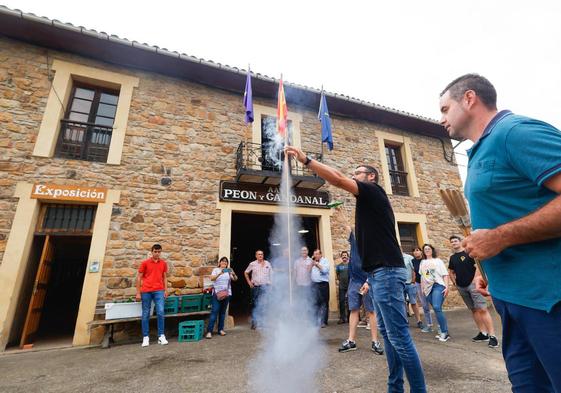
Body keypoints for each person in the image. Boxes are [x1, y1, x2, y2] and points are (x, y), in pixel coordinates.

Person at [439, 74, 561, 391]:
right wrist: (492, 271)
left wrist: (501, 237)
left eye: (444, 108)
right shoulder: (480, 151)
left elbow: (500, 231)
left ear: (469, 98)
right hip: (510, 300)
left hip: (548, 300)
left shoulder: (515, 132)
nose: (441, 119)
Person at [285, 146, 426, 393]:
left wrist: (306, 160)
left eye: (358, 172)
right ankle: (395, 388)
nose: (354, 175)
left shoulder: (373, 191)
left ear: (371, 176)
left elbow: (338, 179)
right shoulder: (367, 204)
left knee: (400, 338)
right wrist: (370, 279)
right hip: (378, 274)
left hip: (387, 273)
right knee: (389, 336)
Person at [338, 228, 383, 355]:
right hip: (354, 281)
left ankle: (375, 342)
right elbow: (346, 226)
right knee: (353, 310)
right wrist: (338, 208)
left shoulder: (372, 245)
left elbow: (375, 265)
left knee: (371, 311)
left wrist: (368, 281)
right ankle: (351, 341)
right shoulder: (354, 240)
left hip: (368, 280)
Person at [448, 235, 498, 348]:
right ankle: (483, 333)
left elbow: (478, 267)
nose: (453, 243)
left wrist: (475, 281)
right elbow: (451, 271)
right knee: (474, 310)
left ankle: (492, 336)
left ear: (460, 242)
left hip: (473, 285)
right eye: (451, 242)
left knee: (482, 309)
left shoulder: (469, 253)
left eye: (455, 241)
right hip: (462, 287)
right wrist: (455, 283)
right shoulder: (452, 258)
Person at [135, 243, 168, 347]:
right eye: (155, 252)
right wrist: (138, 292)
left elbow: (165, 277)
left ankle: (161, 336)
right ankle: (145, 337)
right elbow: (139, 278)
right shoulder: (145, 263)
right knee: (145, 313)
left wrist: (166, 290)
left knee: (161, 312)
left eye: (159, 252)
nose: (157, 253)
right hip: (146, 291)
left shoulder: (163, 263)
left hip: (159, 290)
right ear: (152, 252)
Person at [419, 244, 450, 342]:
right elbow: (423, 276)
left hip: (438, 285)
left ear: (432, 250)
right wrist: (422, 288)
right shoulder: (423, 262)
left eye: (429, 249)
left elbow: (445, 274)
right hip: (428, 289)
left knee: (436, 307)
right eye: (425, 249)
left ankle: (445, 332)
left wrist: (447, 287)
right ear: (423, 252)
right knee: (437, 309)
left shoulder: (438, 261)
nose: (427, 250)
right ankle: (441, 329)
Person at [206, 256, 238, 339]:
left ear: (227, 263)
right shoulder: (215, 270)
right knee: (214, 312)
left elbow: (235, 279)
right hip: (217, 293)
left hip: (227, 294)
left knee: (223, 313)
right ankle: (209, 331)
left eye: (226, 262)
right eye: (222, 261)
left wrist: (233, 273)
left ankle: (220, 329)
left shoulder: (228, 271)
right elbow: (212, 279)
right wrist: (220, 273)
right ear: (219, 262)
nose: (224, 263)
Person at [244, 250, 273, 330]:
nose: (260, 255)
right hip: (256, 287)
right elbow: (246, 272)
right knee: (254, 305)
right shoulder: (252, 264)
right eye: (259, 254)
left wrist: (271, 283)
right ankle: (254, 323)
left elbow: (271, 274)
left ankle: (263, 323)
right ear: (256, 256)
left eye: (262, 254)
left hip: (265, 287)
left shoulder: (267, 263)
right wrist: (249, 282)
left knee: (264, 305)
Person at [412, 246, 433, 332]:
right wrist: (413, 281)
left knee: (435, 305)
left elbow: (429, 273)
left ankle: (441, 326)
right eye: (414, 251)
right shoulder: (412, 261)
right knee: (424, 305)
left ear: (421, 252)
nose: (416, 252)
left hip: (428, 284)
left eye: (417, 250)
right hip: (418, 284)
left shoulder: (425, 260)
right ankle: (429, 325)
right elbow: (413, 272)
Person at [402, 252, 423, 329]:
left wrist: (413, 281)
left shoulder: (409, 257)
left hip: (409, 283)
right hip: (400, 285)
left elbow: (414, 269)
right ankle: (405, 321)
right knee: (402, 303)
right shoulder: (394, 258)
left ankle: (419, 321)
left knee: (413, 302)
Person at [310, 249, 330, 327]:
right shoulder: (312, 262)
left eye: (317, 254)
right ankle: (315, 321)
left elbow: (325, 270)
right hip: (314, 285)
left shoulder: (325, 261)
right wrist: (312, 264)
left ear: (321, 254)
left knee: (324, 303)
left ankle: (323, 322)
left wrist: (317, 264)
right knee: (315, 303)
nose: (316, 256)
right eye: (315, 254)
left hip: (323, 284)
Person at [335, 251, 350, 324]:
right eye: (343, 255)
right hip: (342, 287)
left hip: (350, 286)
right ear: (341, 257)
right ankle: (342, 318)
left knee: (350, 302)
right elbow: (337, 275)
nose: (344, 256)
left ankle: (350, 317)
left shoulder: (350, 265)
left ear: (347, 256)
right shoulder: (338, 266)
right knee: (341, 301)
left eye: (345, 255)